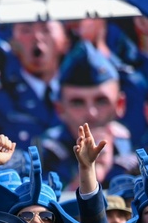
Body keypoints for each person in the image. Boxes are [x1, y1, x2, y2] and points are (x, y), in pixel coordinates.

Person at [40, 41, 137, 190]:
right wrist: (92, 171)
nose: (91, 113)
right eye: (78, 102)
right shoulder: (45, 155)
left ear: (119, 104)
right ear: (60, 109)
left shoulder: (135, 145)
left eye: (101, 101)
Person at [0, 19, 68, 145]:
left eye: (46, 30)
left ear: (65, 42)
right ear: (12, 42)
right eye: (26, 31)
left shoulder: (83, 93)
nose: (37, 37)